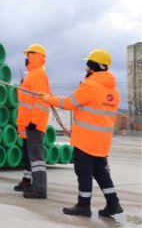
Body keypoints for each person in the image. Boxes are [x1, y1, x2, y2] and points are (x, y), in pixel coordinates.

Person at [40, 49, 123, 217]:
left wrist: (48, 98)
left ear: (93, 66)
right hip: (102, 142)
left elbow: (69, 103)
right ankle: (113, 203)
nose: (86, 67)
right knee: (100, 172)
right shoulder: (114, 92)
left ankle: (83, 206)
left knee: (83, 172)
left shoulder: (90, 85)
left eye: (88, 64)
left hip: (86, 140)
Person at [14, 44, 51, 199]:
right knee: (28, 155)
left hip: (33, 123)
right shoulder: (32, 74)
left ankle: (39, 188)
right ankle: (28, 181)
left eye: (28, 55)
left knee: (36, 158)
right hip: (26, 122)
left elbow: (41, 101)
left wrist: (34, 122)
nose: (26, 58)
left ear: (34, 55)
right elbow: (25, 99)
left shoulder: (37, 75)